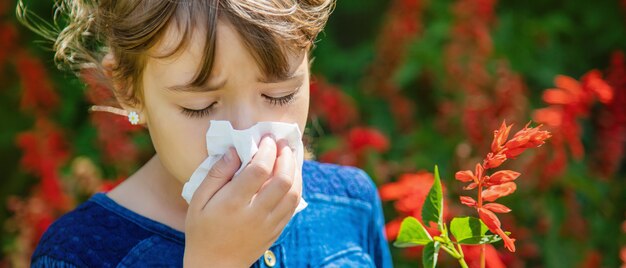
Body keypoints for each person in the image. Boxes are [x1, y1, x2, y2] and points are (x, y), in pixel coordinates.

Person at [17, 0, 393, 267]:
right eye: (200, 106)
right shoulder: (80, 253)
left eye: (279, 95)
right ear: (129, 88)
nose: (249, 134)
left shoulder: (350, 204)